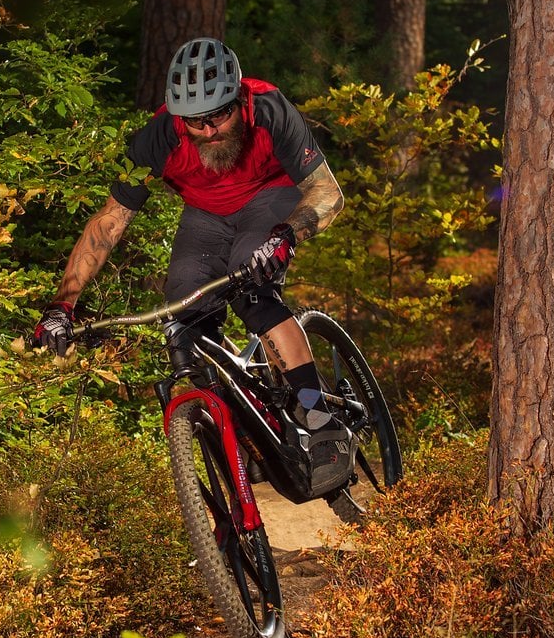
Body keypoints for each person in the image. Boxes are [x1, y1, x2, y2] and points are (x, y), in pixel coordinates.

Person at [33, 37, 352, 483]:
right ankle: (246, 433)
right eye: (195, 121)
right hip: (205, 215)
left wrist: (286, 235)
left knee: (250, 282)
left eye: (219, 115)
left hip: (270, 199)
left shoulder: (269, 108)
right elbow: (109, 223)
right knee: (182, 316)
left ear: (238, 99)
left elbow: (328, 193)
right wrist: (61, 305)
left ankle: (318, 417)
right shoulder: (159, 137)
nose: (208, 130)